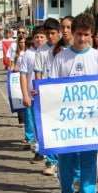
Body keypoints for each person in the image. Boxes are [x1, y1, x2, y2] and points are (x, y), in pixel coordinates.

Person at [48, 14, 98, 193]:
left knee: (89, 162)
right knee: (66, 162)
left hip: (90, 123)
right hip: (67, 122)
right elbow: (52, 88)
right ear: (72, 33)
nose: (82, 39)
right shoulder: (61, 58)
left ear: (92, 36)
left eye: (86, 35)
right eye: (79, 34)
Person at [33, 18, 63, 175]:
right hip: (46, 94)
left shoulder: (66, 48)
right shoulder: (41, 50)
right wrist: (37, 90)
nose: (50, 36)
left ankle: (63, 160)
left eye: (53, 33)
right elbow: (38, 71)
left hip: (63, 94)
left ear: (59, 33)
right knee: (48, 129)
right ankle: (51, 161)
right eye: (48, 33)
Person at [20, 28, 47, 158]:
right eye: (37, 37)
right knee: (35, 123)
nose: (39, 40)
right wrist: (25, 94)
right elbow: (23, 75)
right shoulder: (28, 54)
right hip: (33, 95)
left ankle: (47, 150)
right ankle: (38, 149)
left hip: (48, 95)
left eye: (42, 37)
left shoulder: (51, 52)